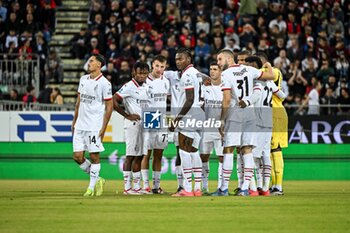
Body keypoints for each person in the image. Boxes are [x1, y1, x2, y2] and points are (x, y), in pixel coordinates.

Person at [212, 49, 274, 196]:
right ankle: (245, 188)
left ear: (228, 59)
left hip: (234, 115)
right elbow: (271, 76)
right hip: (250, 116)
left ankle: (224, 188)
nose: (218, 63)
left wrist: (221, 119)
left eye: (220, 60)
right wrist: (268, 64)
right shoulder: (249, 70)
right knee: (247, 150)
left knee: (228, 150)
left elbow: (226, 100)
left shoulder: (226, 75)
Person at [243, 56, 286, 196]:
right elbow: (282, 95)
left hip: (257, 121)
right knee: (266, 155)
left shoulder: (255, 80)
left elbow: (255, 96)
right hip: (269, 121)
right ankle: (266, 188)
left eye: (249, 65)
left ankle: (255, 188)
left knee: (253, 156)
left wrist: (245, 103)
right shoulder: (269, 82)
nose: (246, 68)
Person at [71, 54, 113, 197]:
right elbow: (78, 103)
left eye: (92, 61)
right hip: (80, 126)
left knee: (94, 156)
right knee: (77, 156)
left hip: (94, 126)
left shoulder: (105, 84)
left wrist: (103, 128)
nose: (89, 63)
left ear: (99, 65)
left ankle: (90, 188)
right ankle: (98, 179)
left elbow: (109, 107)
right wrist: (74, 121)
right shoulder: (83, 79)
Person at [170, 48, 204, 197]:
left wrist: (177, 119)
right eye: (177, 59)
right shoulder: (197, 73)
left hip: (190, 114)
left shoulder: (187, 75)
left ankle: (188, 189)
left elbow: (189, 99)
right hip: (199, 113)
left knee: (184, 150)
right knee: (193, 151)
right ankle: (197, 188)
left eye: (181, 59)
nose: (178, 62)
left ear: (188, 59)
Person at [113, 62, 150, 195]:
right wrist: (127, 115)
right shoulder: (128, 86)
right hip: (132, 125)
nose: (142, 76)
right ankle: (127, 188)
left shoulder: (146, 87)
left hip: (143, 125)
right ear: (134, 73)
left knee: (139, 156)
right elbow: (113, 100)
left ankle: (136, 187)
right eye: (140, 73)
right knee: (130, 156)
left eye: (145, 73)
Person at [256, 52, 289, 195]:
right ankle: (270, 185)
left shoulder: (273, 71)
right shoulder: (263, 75)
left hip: (275, 113)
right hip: (267, 113)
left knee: (275, 149)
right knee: (267, 151)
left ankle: (278, 186)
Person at [140, 55, 170, 194]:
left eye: (162, 67)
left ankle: (156, 186)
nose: (159, 69)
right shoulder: (144, 81)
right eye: (157, 66)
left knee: (159, 154)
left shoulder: (166, 81)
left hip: (162, 119)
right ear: (152, 65)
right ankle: (145, 185)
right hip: (149, 118)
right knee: (146, 153)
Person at [200, 62, 223, 195]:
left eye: (215, 69)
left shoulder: (225, 88)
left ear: (220, 72)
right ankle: (204, 186)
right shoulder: (204, 88)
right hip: (206, 128)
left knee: (222, 157)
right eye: (211, 69)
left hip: (220, 128)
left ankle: (221, 186)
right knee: (204, 156)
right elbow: (201, 106)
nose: (212, 71)